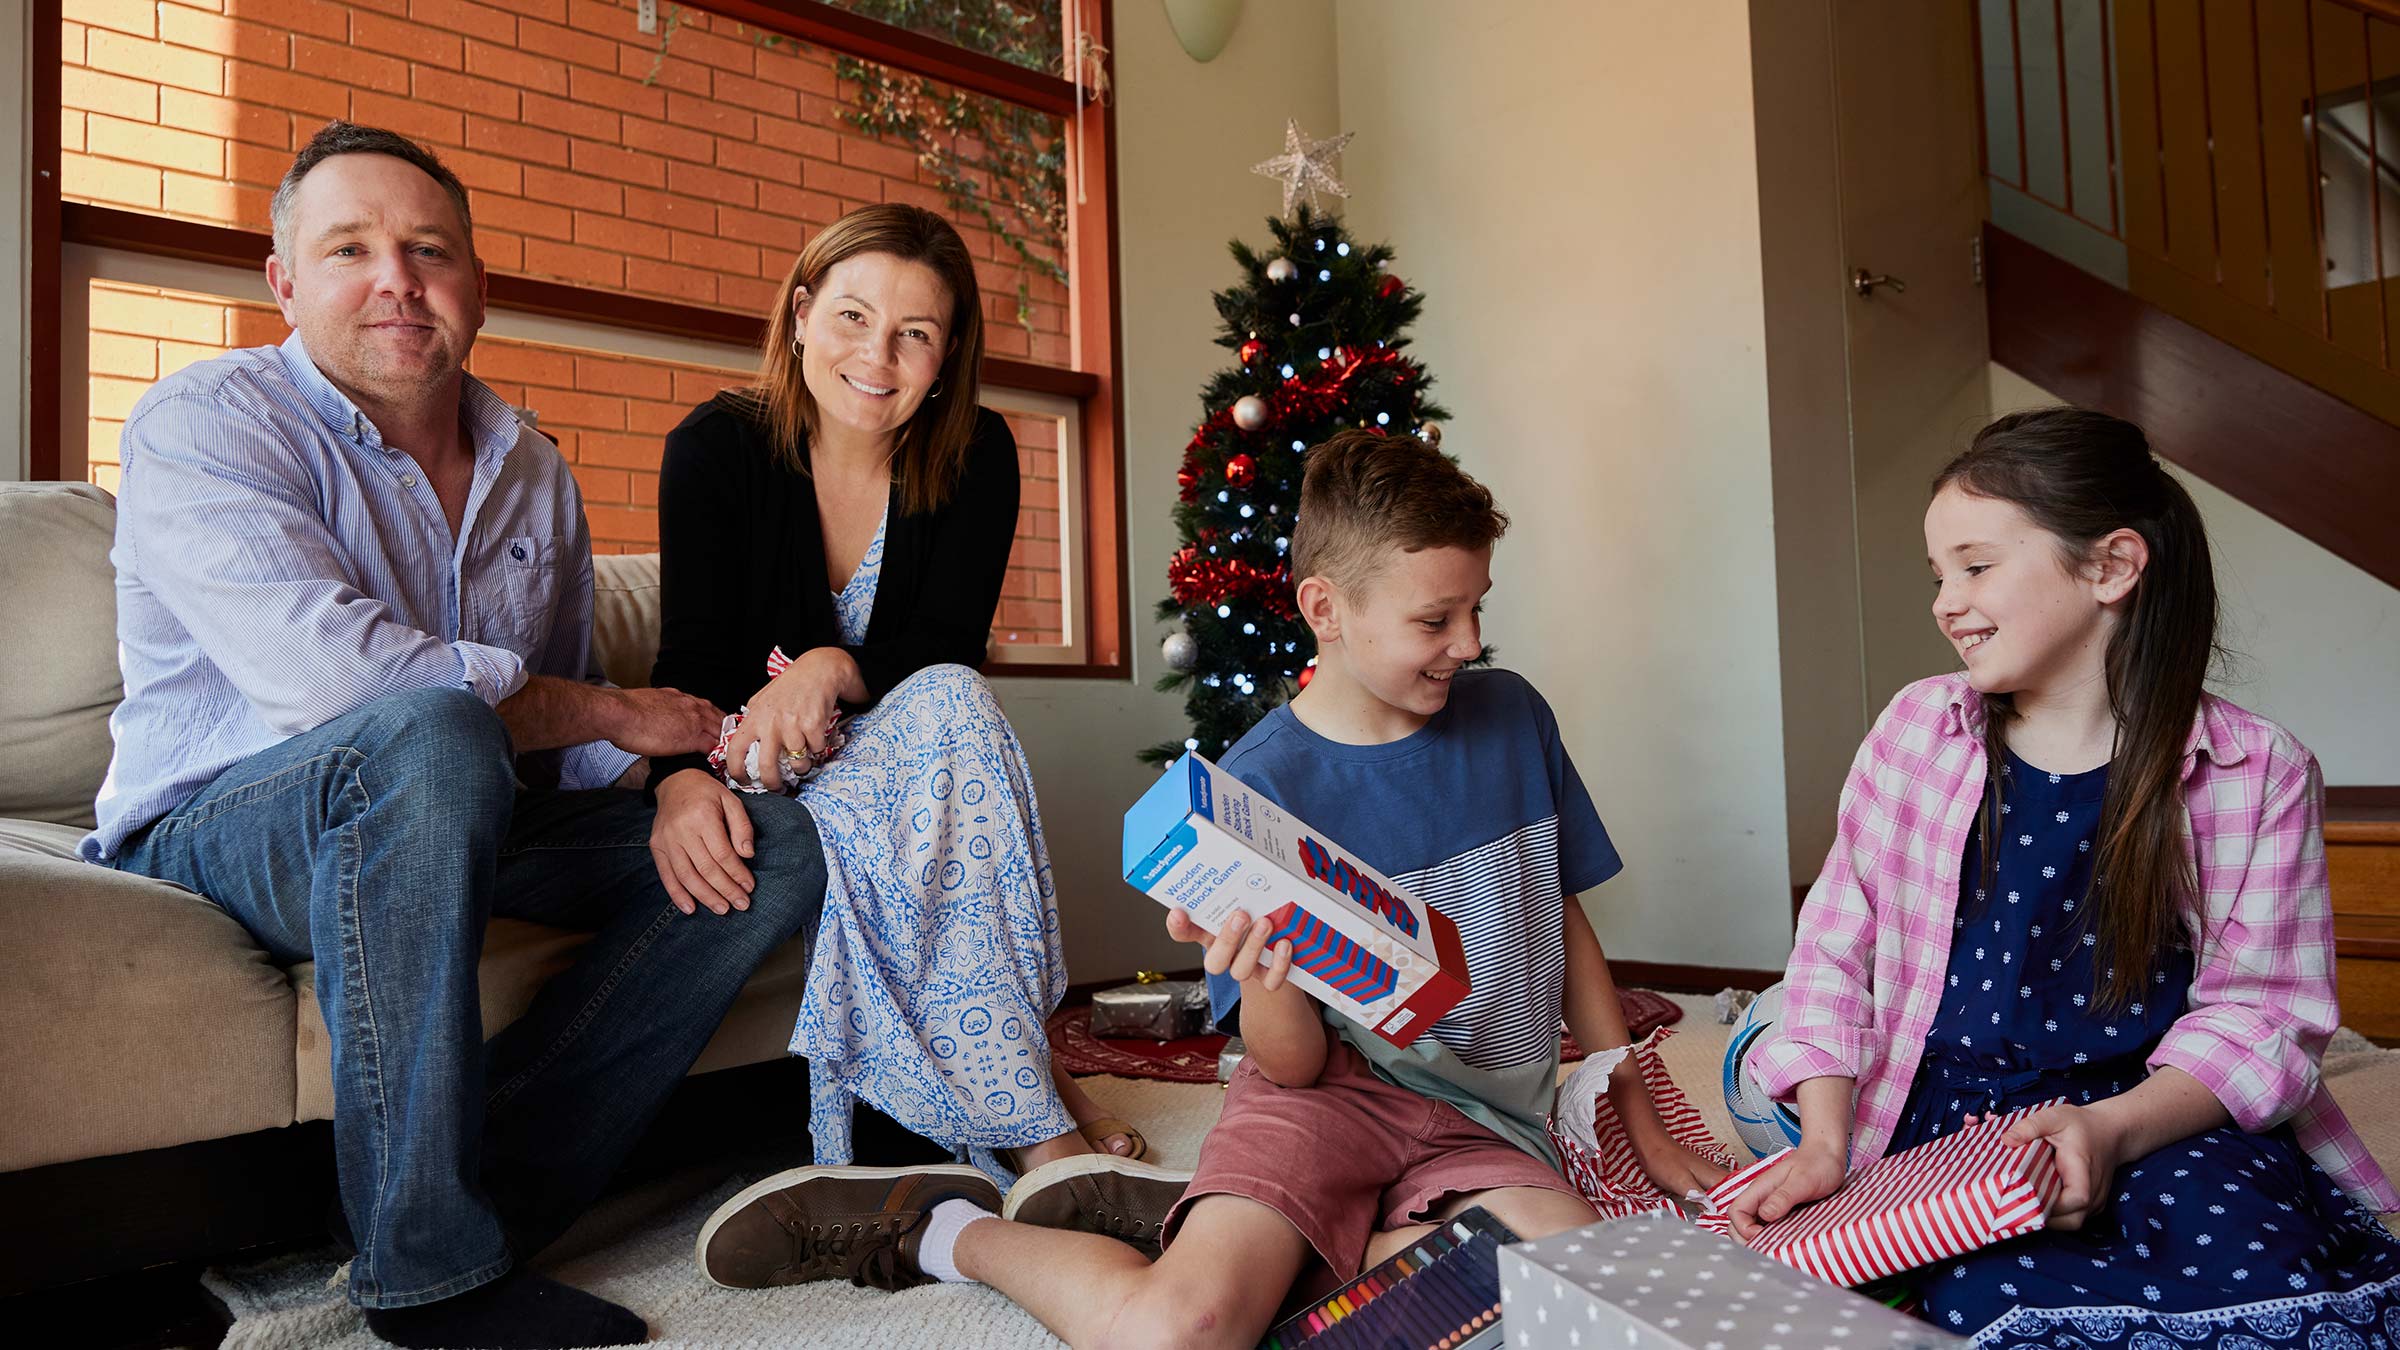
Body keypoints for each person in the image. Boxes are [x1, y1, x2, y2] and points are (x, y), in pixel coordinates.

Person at [694, 429, 1728, 1346]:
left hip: (1482, 1118)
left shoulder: (1512, 719)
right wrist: (1264, 972)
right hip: (1323, 1102)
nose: (1467, 642)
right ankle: (945, 1230)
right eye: (1434, 618)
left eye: (1476, 610)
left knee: (1585, 1288)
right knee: (1181, 1330)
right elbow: (1288, 1060)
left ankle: (1249, 1232)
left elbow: (1562, 911)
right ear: (1324, 607)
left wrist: (1620, 1089)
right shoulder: (1257, 791)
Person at [82, 121, 829, 1350]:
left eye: (429, 249)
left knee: (775, 845)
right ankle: (429, 1279)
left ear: (476, 285)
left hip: (468, 803)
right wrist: (609, 711)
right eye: (350, 249)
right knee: (424, 735)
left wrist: (664, 782)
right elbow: (343, 689)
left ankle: (473, 1199)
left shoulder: (532, 468)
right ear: (284, 282)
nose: (397, 279)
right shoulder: (204, 423)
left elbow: (569, 718)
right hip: (223, 829)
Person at [1732, 408, 2400, 1343]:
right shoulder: (1915, 732)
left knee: (2261, 1265)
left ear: (2112, 567)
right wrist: (1828, 1146)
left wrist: (2115, 1130)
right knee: (1994, 1295)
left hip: (2154, 1106)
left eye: (1976, 565)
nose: (1944, 601)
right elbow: (1835, 957)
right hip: (1961, 1119)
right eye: (1938, 575)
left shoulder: (2259, 771)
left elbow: (2264, 1019)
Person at [649, 203, 1162, 1207]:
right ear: (800, 315)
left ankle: (1028, 1122)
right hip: (756, 759)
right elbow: (693, 660)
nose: (876, 355)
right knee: (946, 738)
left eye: (913, 334)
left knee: (954, 709)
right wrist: (676, 781)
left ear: (946, 354)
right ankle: (1044, 1116)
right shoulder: (714, 449)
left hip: (909, 740)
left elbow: (944, 648)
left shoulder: (978, 455)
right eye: (849, 316)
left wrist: (832, 666)